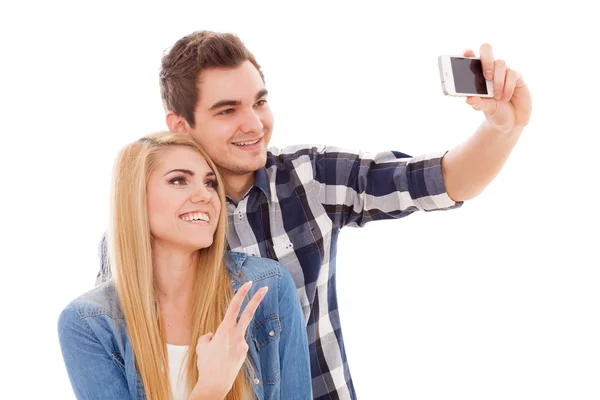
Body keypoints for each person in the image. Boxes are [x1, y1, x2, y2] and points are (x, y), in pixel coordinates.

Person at [97, 30, 532, 400]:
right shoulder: (141, 231)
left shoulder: (309, 177)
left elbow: (439, 180)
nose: (253, 124)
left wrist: (502, 128)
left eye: (259, 102)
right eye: (227, 110)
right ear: (180, 126)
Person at [60, 131, 312, 400]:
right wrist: (211, 388)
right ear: (135, 200)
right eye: (179, 180)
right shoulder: (88, 323)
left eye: (210, 183)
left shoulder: (268, 286)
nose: (205, 195)